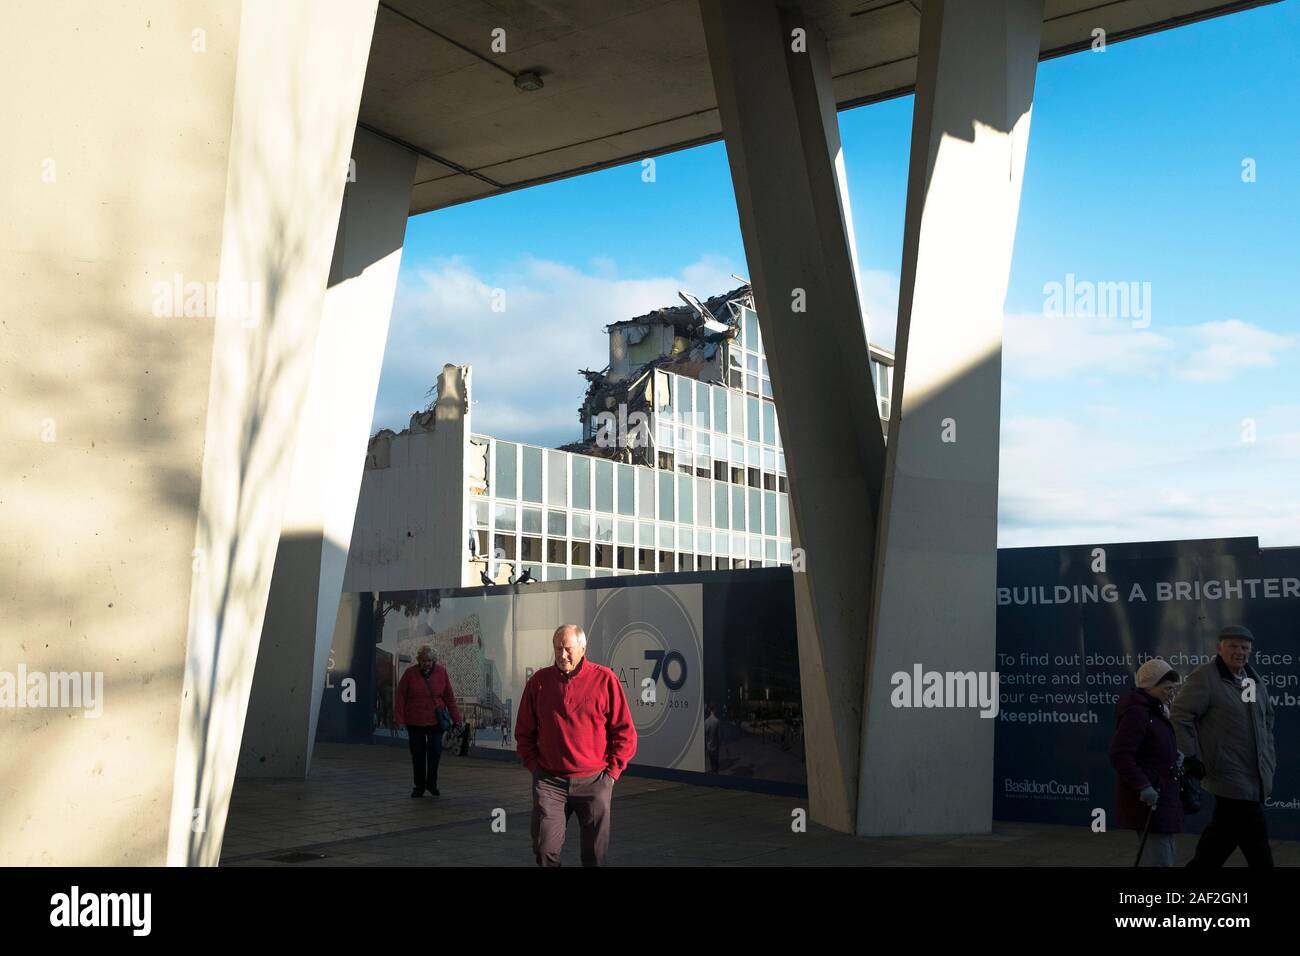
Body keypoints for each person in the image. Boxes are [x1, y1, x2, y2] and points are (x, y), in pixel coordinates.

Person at [515, 624, 638, 866]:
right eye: (557, 648)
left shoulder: (605, 680)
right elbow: (524, 731)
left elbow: (625, 732)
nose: (562, 655)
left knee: (594, 856)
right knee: (544, 849)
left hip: (594, 783)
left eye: (568, 649)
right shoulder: (539, 682)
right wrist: (535, 768)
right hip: (550, 781)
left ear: (583, 648)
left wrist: (611, 775)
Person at [1170, 624, 1277, 867]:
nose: (1240, 652)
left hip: (1255, 773)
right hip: (1230, 774)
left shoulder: (1253, 678)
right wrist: (1189, 755)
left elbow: (1267, 718)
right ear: (1219, 648)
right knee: (1257, 846)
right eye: (1233, 646)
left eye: (1245, 647)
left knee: (1221, 839)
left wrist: (1269, 756)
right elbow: (1179, 715)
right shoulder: (1205, 677)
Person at [1109, 658, 1183, 866]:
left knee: (1162, 854)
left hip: (1162, 792)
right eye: (1167, 688)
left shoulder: (1154, 709)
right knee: (1160, 859)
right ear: (1151, 686)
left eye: (1174, 688)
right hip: (1150, 798)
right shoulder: (1137, 712)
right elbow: (1120, 754)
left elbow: (1150, 744)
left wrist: (1173, 754)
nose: (1171, 693)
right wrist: (1143, 786)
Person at [394, 645, 461, 798]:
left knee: (435, 753)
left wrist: (456, 719)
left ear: (434, 660)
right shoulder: (410, 673)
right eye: (424, 660)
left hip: (434, 721)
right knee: (417, 754)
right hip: (415, 720)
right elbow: (401, 696)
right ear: (419, 660)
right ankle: (419, 786)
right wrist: (399, 719)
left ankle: (432, 783)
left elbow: (449, 697)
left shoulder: (441, 672)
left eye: (430, 660)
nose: (427, 663)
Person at [704, 704, 721, 773]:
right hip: (715, 746)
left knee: (711, 763)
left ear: (709, 710)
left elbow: (706, 735)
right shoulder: (717, 721)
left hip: (709, 746)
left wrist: (707, 745)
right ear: (714, 710)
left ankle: (712, 774)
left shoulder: (706, 721)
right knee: (716, 763)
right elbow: (719, 735)